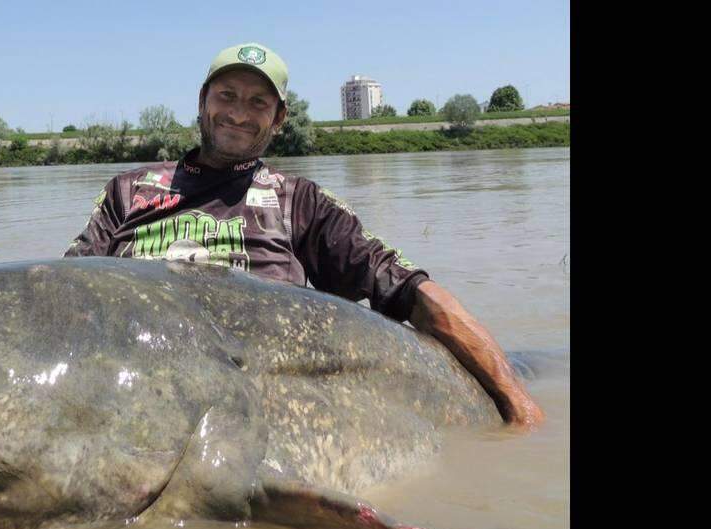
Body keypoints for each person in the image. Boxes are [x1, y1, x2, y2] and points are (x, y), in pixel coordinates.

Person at [61, 42, 544, 427]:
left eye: (258, 102)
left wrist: (516, 400)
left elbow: (411, 291)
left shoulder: (300, 200)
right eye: (226, 95)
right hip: (134, 379)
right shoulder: (128, 190)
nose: (239, 113)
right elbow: (61, 295)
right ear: (202, 103)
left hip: (257, 393)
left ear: (279, 118)